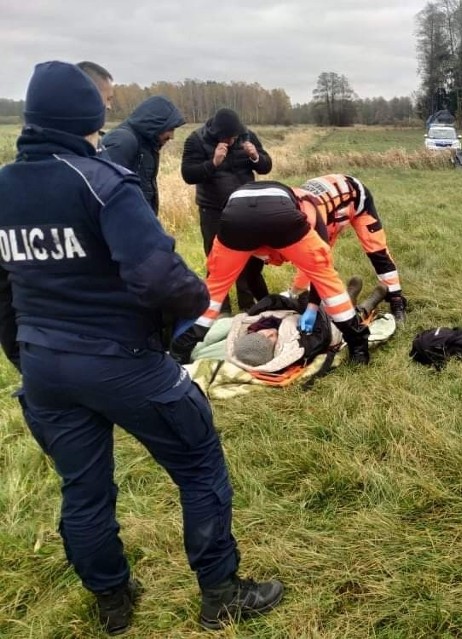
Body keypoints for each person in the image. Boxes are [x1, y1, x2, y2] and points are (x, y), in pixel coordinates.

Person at [0, 62, 283, 634]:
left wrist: (24, 354)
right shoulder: (101, 181)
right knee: (199, 464)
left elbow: (2, 290)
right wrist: (188, 316)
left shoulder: (3, 186)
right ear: (88, 118)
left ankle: (112, 601)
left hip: (45, 366)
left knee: (84, 488)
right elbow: (160, 277)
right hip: (123, 362)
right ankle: (220, 591)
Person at [170, 180, 372, 366]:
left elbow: (251, 274)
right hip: (280, 215)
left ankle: (180, 352)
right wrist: (312, 306)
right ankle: (358, 345)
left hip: (235, 219)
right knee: (328, 282)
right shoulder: (309, 205)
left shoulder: (247, 201)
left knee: (214, 291)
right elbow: (320, 270)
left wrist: (262, 304)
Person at [180, 107, 272, 314]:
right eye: (227, 137)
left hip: (245, 209)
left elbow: (266, 167)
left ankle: (248, 307)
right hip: (212, 210)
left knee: (247, 260)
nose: (232, 141)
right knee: (217, 262)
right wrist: (213, 163)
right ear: (216, 133)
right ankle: (221, 312)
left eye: (234, 137)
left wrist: (256, 156)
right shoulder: (196, 139)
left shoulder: (247, 136)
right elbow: (188, 174)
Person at [289, 174, 407, 321]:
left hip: (355, 199)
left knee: (376, 249)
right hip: (329, 202)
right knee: (308, 258)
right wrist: (295, 293)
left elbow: (317, 262)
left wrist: (306, 300)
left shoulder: (313, 220)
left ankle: (396, 299)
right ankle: (354, 299)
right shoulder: (288, 213)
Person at [102, 95, 186, 215]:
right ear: (155, 124)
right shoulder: (124, 141)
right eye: (170, 129)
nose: (172, 136)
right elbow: (106, 192)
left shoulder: (148, 144)